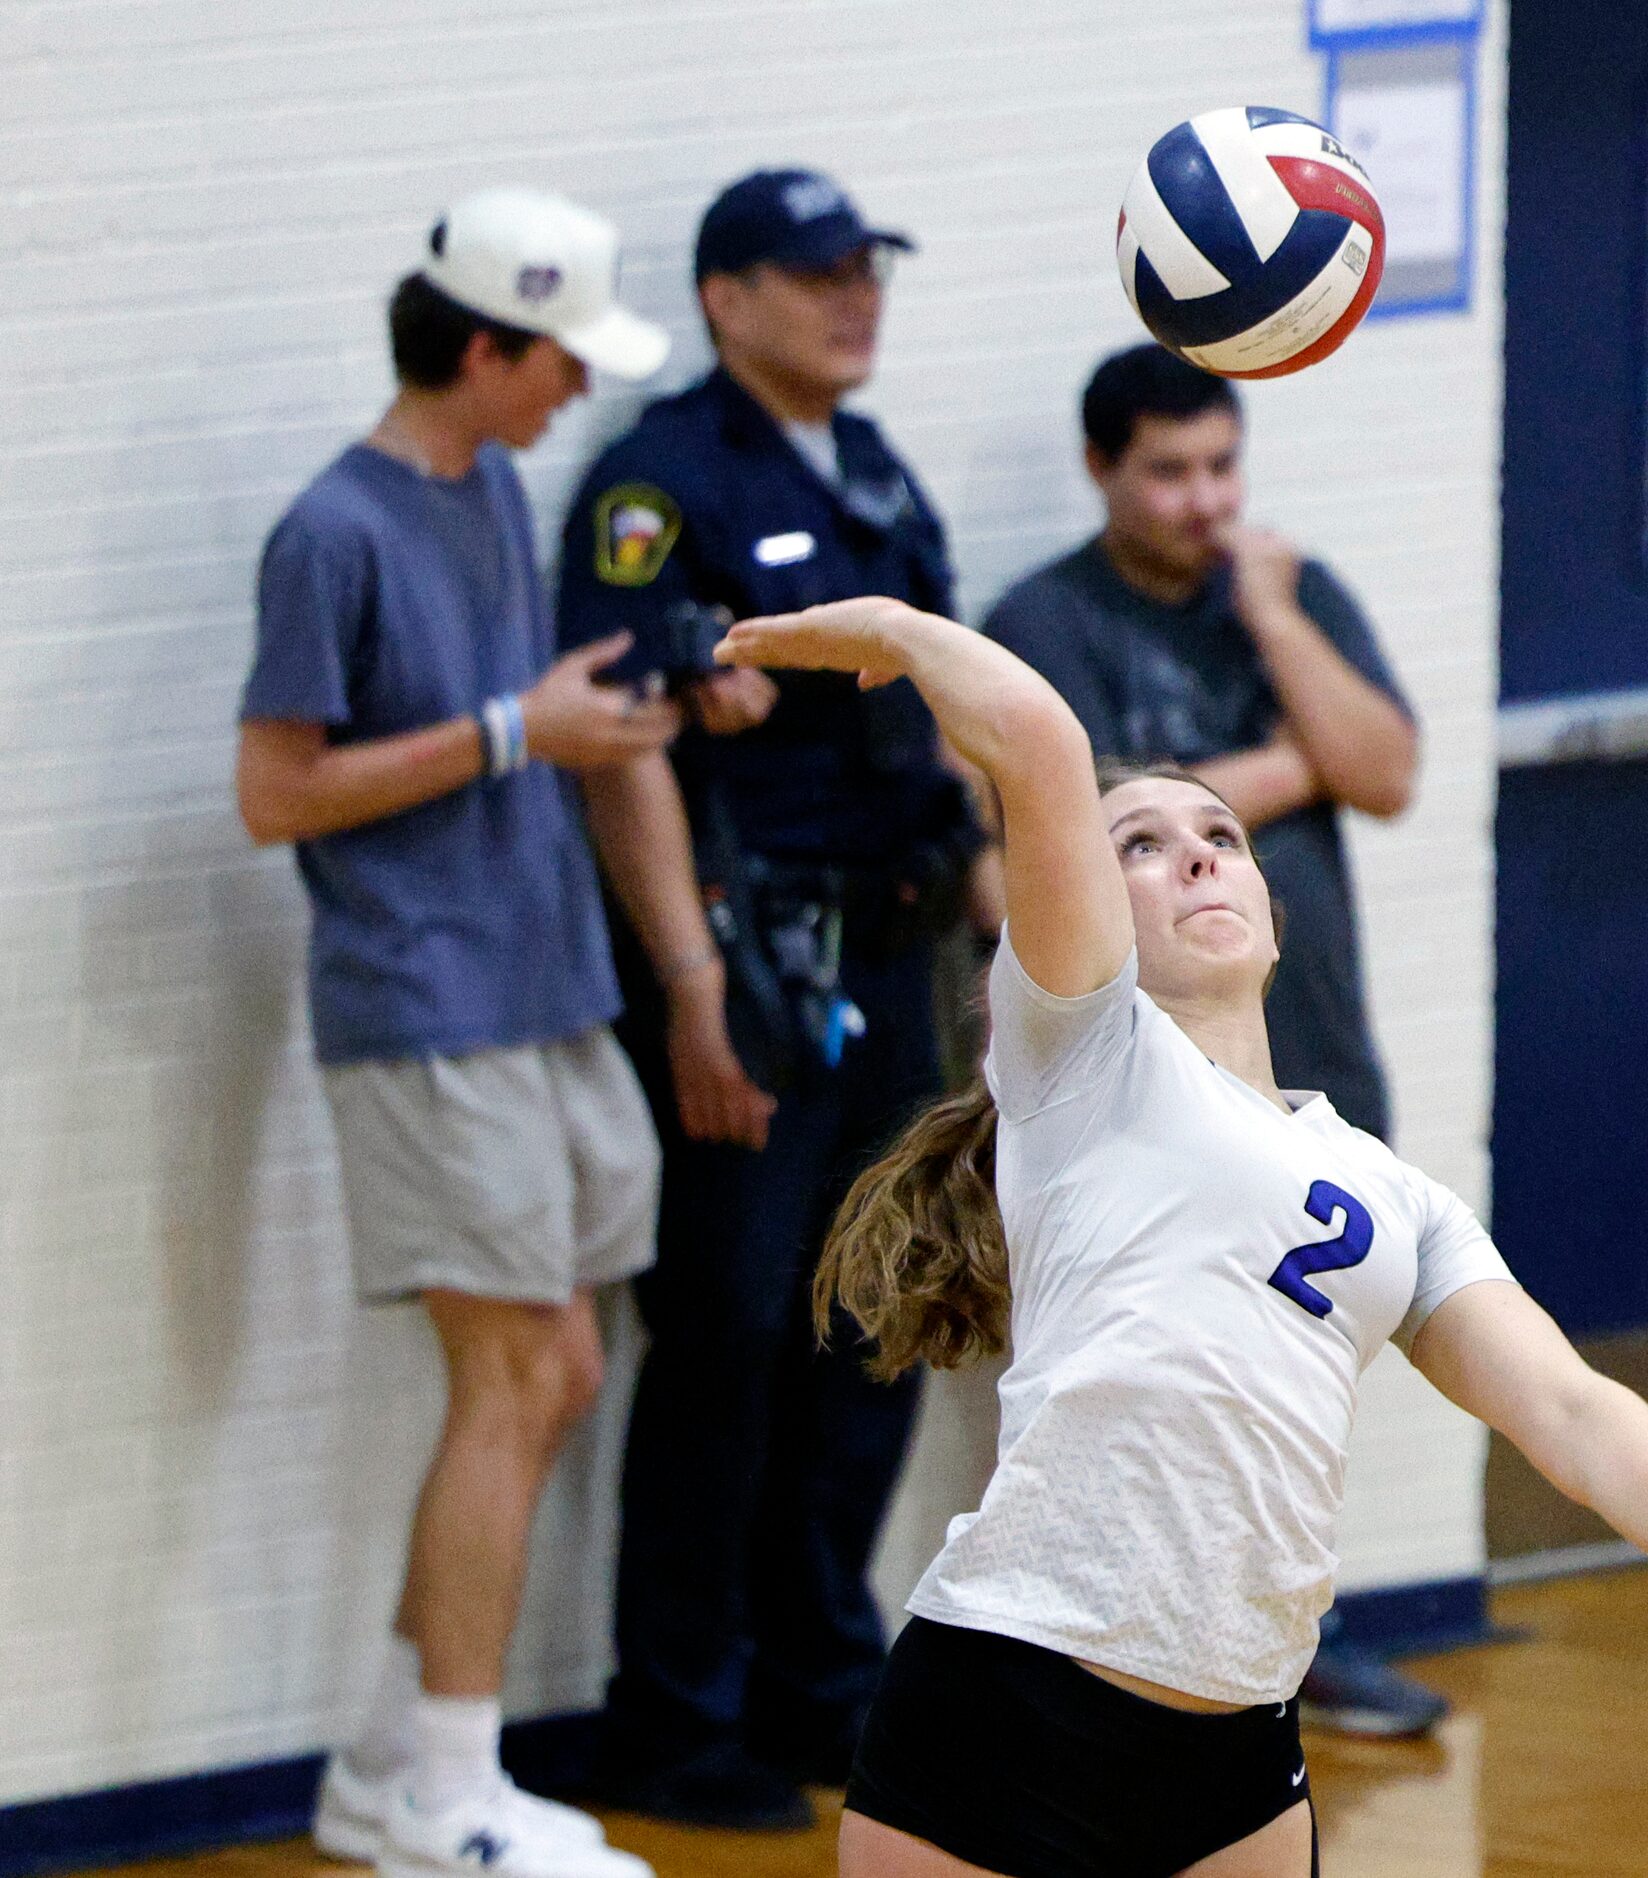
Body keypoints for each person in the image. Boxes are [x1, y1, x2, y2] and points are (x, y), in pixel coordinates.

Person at [710, 595, 1648, 1878]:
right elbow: (1041, 745)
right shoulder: (1085, 1059)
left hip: (1235, 1756)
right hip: (1008, 1712)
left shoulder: (1393, 1194)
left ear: (1274, 918)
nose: (1198, 856)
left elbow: (1565, 1407)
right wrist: (896, 631)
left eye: (1222, 836)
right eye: (1142, 843)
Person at [233, 189, 676, 1878]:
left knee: (556, 1362)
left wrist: (605, 719)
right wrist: (512, 730)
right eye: (559, 358)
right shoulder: (329, 533)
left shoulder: (494, 484)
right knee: (504, 1375)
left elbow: (531, 727)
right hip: (424, 1005)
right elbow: (275, 789)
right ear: (485, 343)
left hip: (544, 985)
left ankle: (392, 1758)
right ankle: (448, 1797)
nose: (575, 391)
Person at [555, 167, 986, 1829]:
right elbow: (631, 760)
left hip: (894, 949)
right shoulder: (660, 482)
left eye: (866, 269)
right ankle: (673, 1707)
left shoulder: (867, 465)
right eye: (815, 276)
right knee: (729, 1331)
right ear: (726, 298)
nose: (853, 299)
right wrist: (685, 984)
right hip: (751, 965)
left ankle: (825, 1678)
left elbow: (936, 707)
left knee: (871, 1317)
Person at [984, 345, 1440, 1732]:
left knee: (1303, 1364)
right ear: (1101, 469)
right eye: (1168, 471)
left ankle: (1296, 1632)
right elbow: (1044, 851)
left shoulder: (1283, 597)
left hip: (1307, 1061)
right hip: (1139, 1102)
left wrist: (1277, 622)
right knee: (1150, 1377)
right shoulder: (1044, 625)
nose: (1202, 500)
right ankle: (1118, 1658)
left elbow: (1387, 768)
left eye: (1221, 467)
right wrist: (1283, 768)